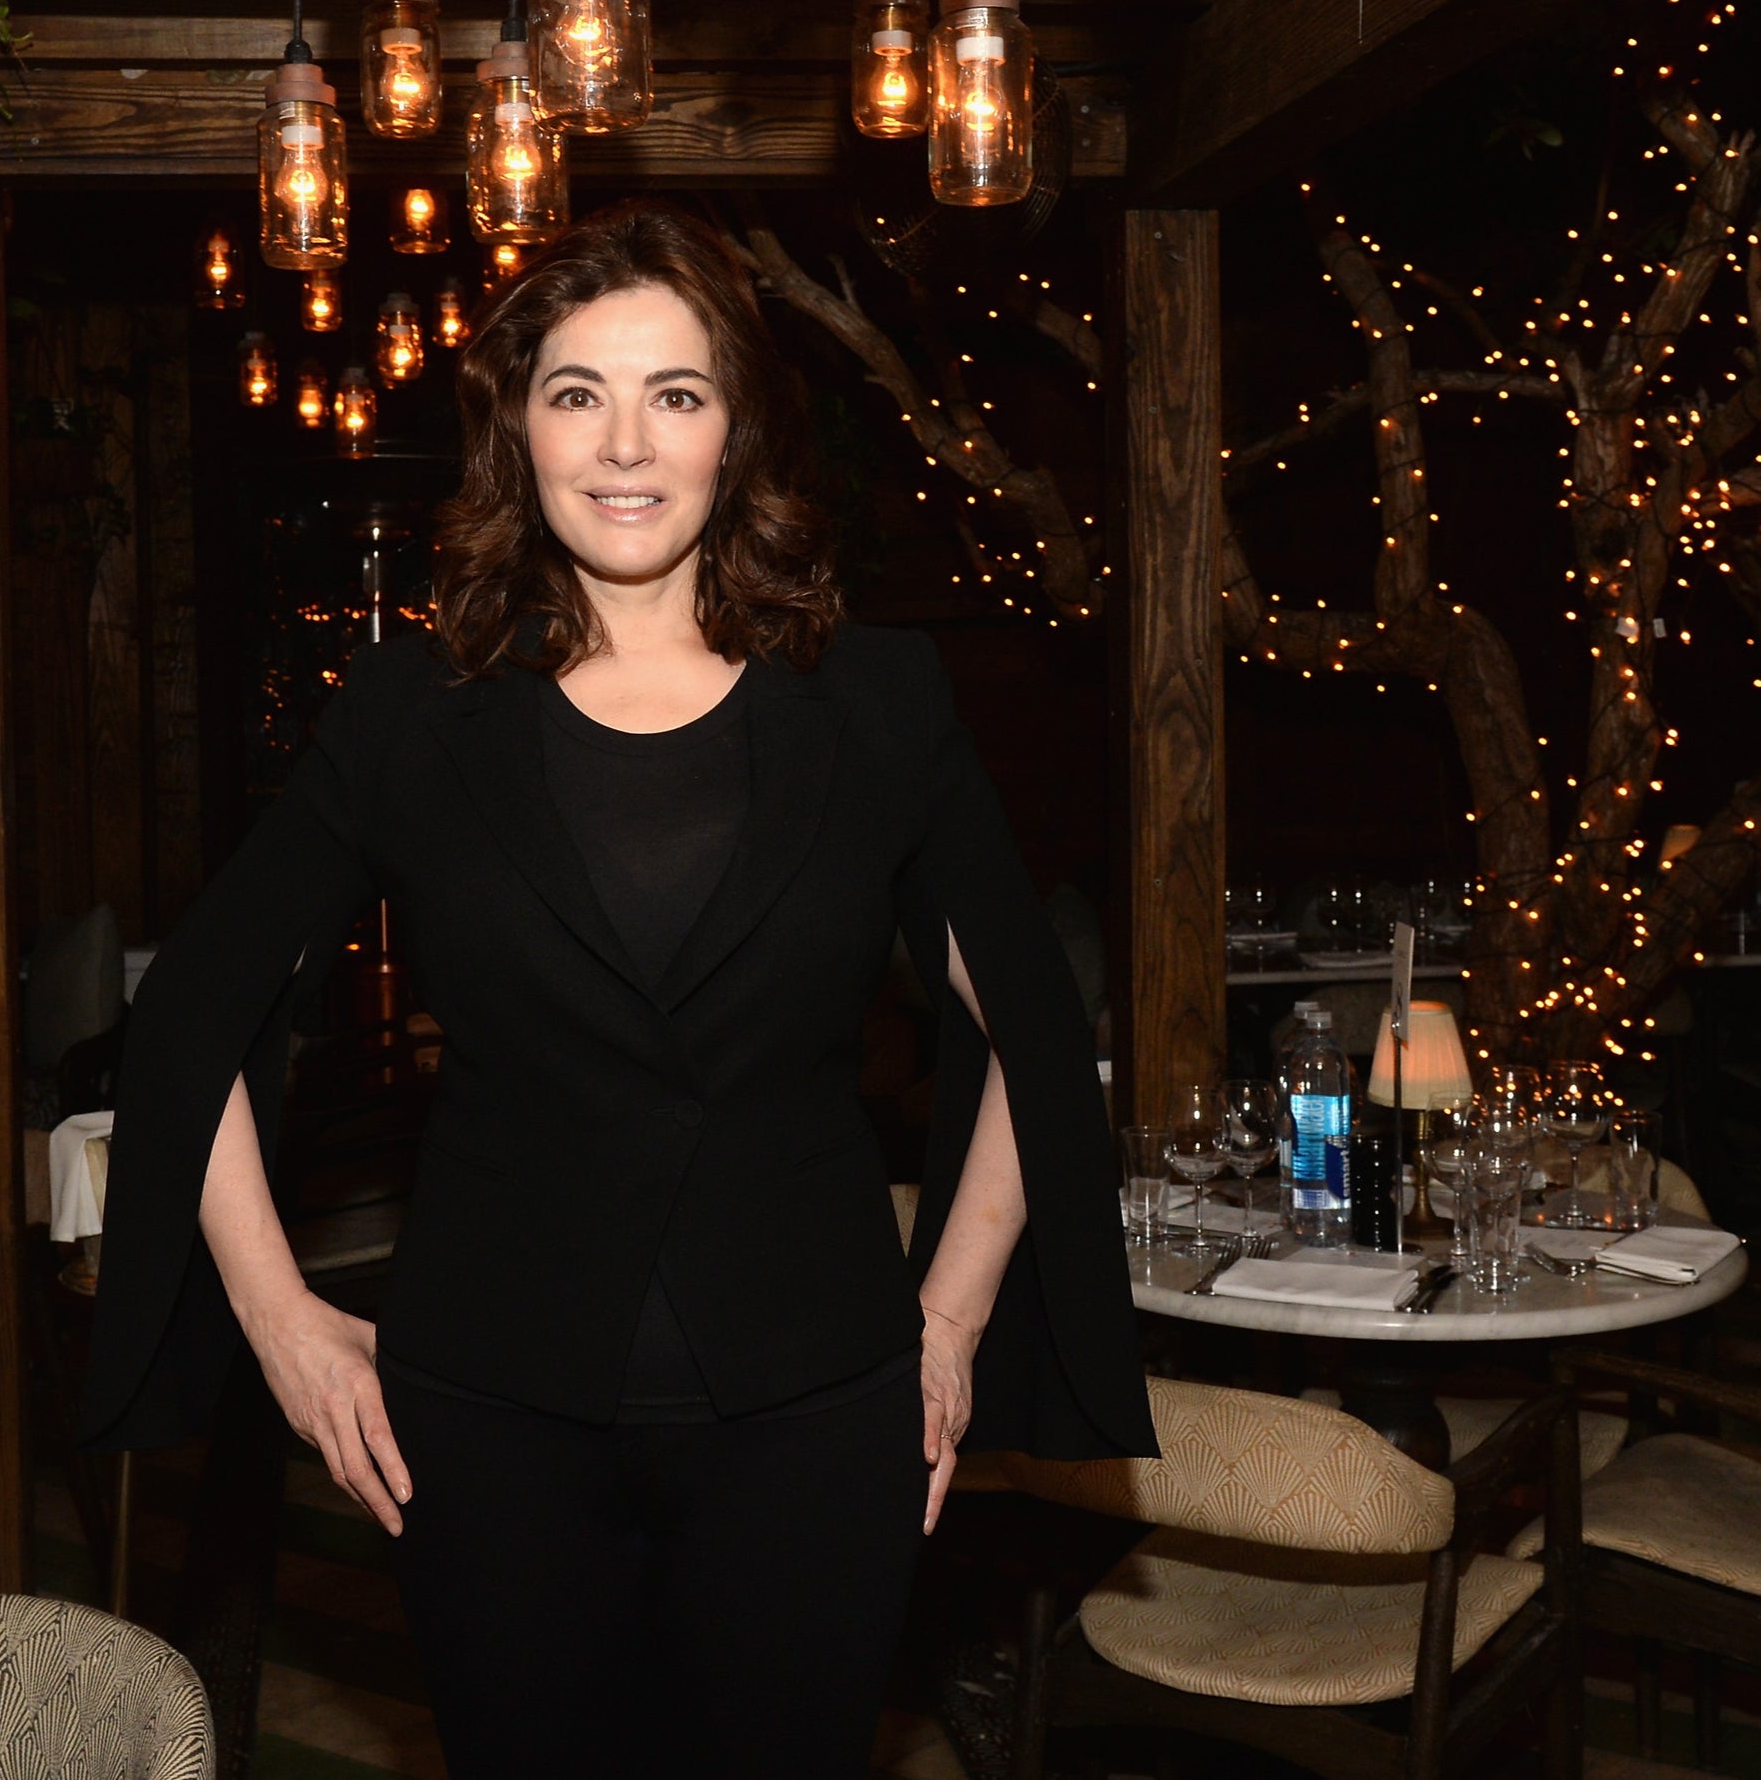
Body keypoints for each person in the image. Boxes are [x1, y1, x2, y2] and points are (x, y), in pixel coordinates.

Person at [82, 201, 1153, 1777]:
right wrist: (283, 1321)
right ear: (518, 430)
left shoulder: (874, 699)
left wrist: (947, 1315)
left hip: (814, 1405)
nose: (625, 443)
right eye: (577, 392)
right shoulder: (406, 714)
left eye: (676, 392)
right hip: (485, 1416)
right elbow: (192, 1017)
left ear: (737, 429)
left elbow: (1033, 1029)